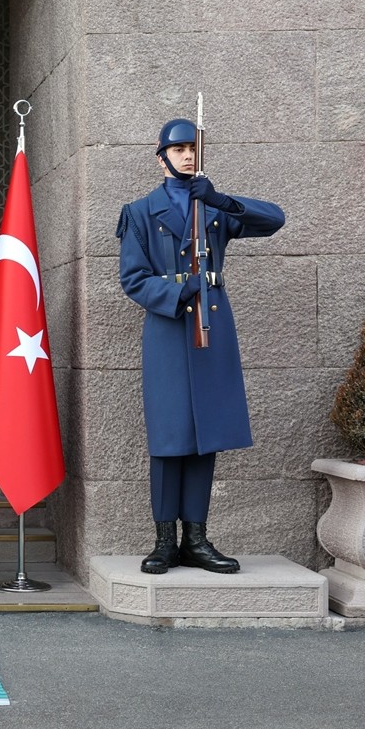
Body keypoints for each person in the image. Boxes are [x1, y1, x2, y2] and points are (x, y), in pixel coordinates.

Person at [117, 117, 284, 575]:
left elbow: (274, 219)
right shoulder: (139, 212)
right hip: (170, 332)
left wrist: (220, 199)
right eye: (178, 149)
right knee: (169, 438)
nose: (187, 155)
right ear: (161, 157)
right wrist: (178, 291)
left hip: (212, 329)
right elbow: (132, 279)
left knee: (204, 436)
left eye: (193, 148)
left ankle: (197, 538)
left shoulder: (210, 205)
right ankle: (164, 541)